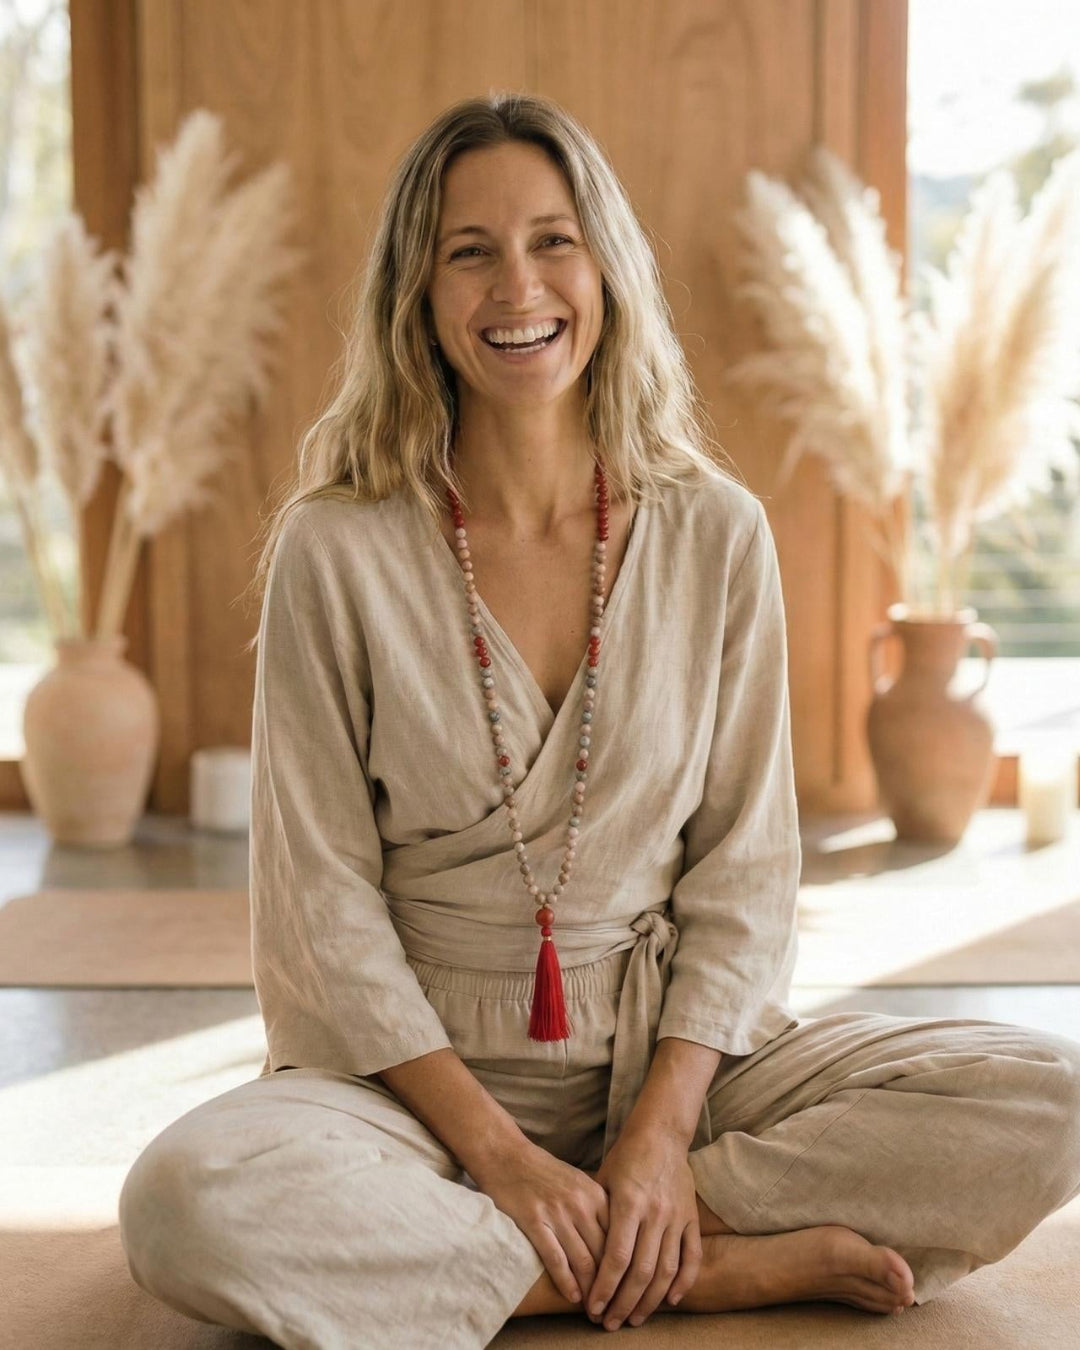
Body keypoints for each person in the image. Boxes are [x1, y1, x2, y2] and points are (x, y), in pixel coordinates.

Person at [117, 91, 1080, 1349]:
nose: (517, 285)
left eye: (552, 240)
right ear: (419, 288)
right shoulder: (334, 548)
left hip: (678, 1061)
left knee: (1049, 1097)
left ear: (607, 268)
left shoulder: (716, 533)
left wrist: (662, 1137)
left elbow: (745, 872)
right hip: (409, 1095)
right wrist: (500, 1155)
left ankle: (583, 1233)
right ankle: (701, 1266)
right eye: (470, 250)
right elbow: (320, 906)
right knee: (183, 1205)